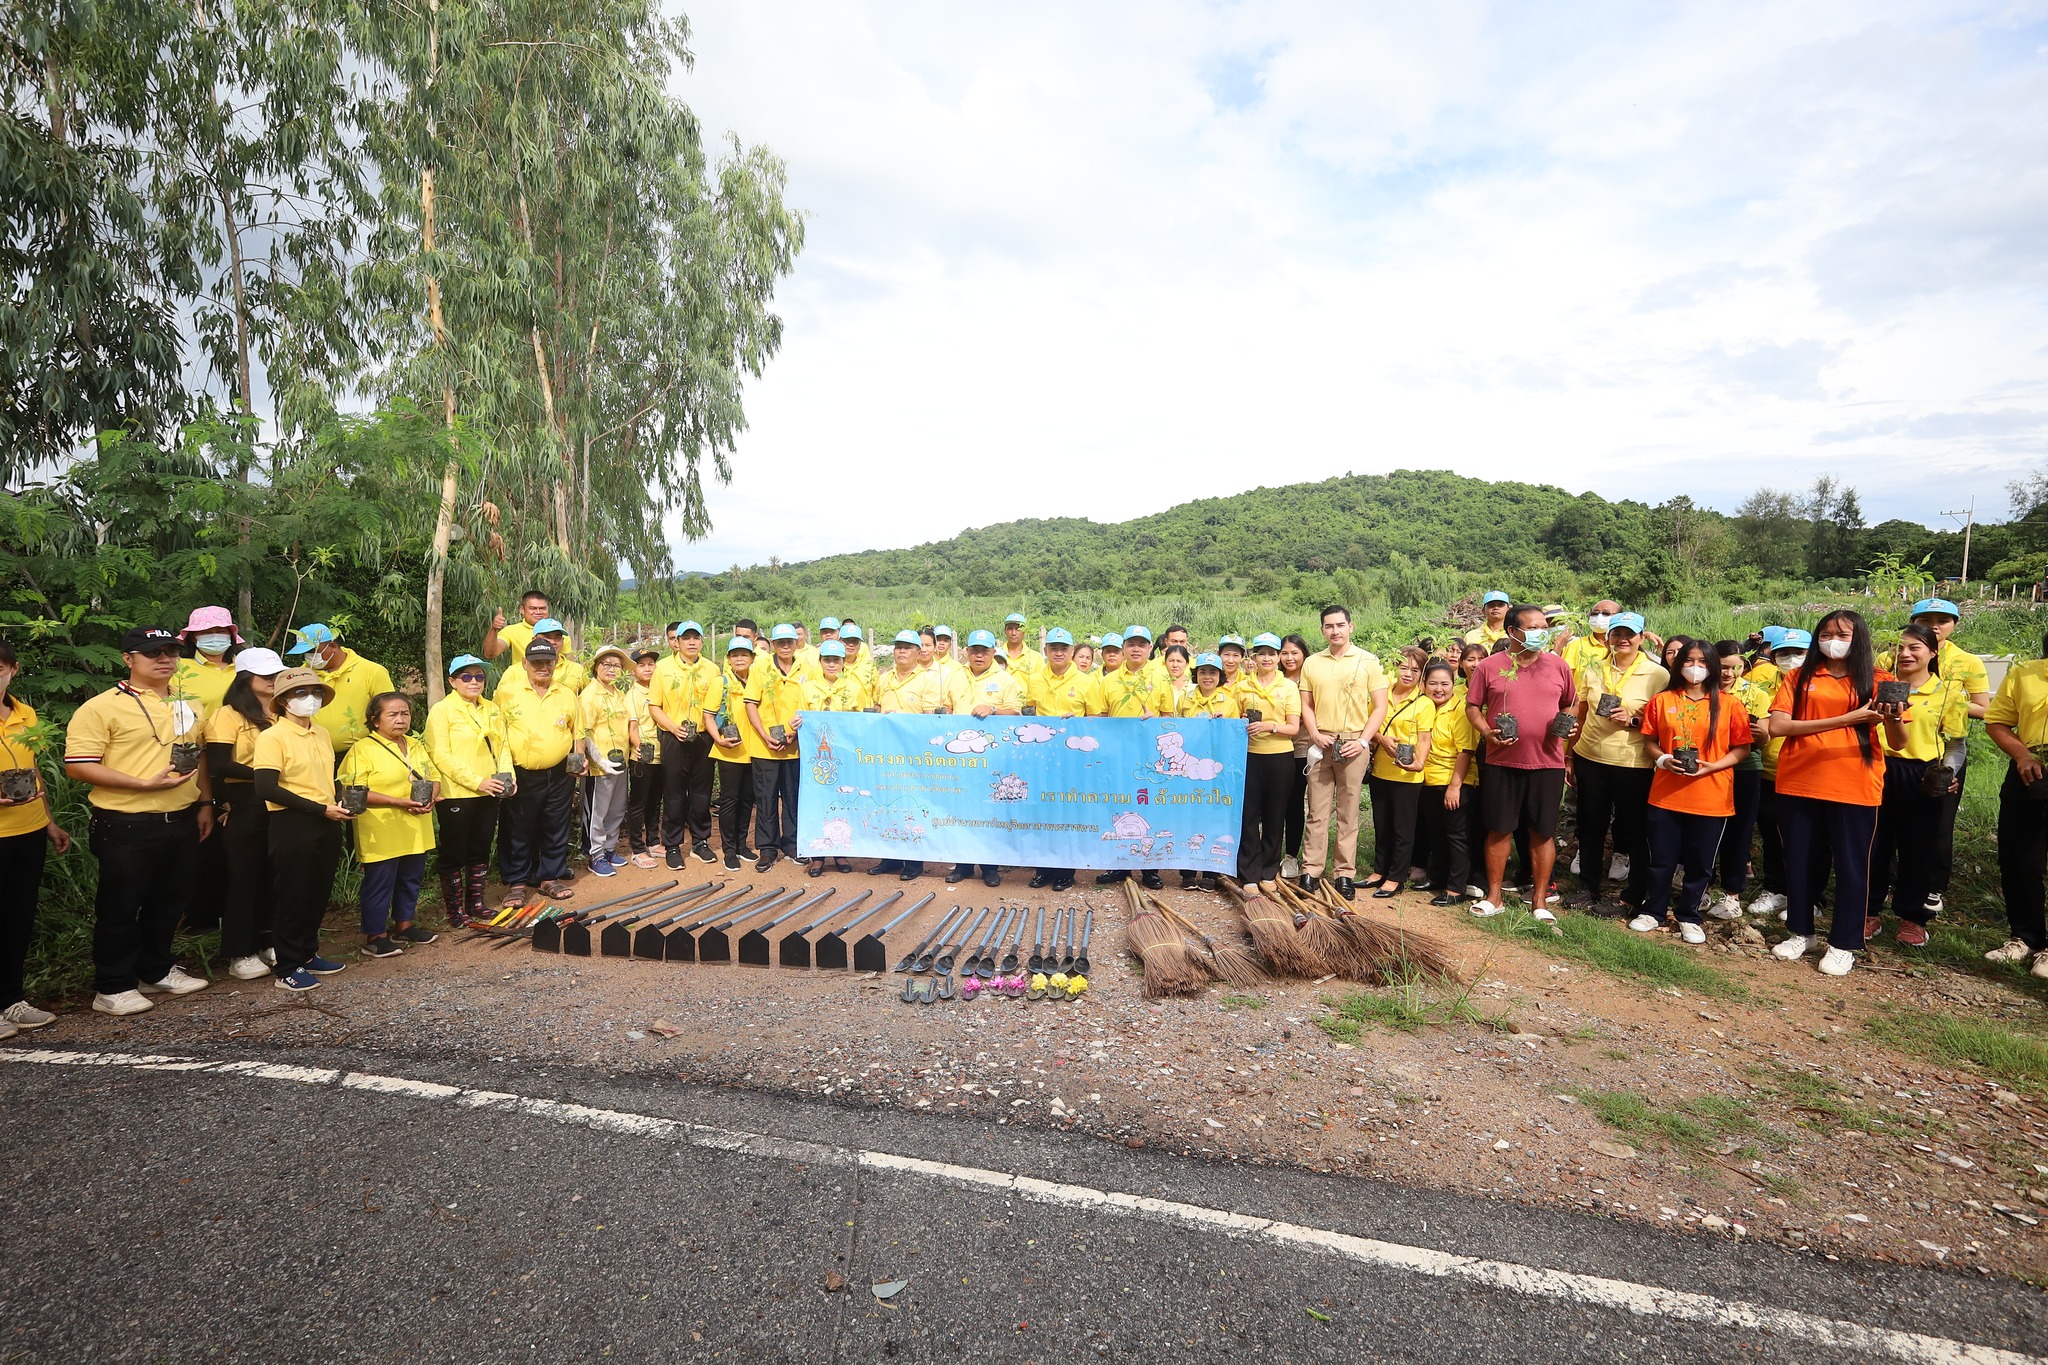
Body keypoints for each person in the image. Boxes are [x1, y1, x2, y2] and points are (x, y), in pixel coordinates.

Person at [63, 625, 215, 1016]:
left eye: (171, 652)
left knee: (170, 901)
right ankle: (113, 985)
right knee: (120, 905)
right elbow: (79, 766)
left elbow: (199, 758)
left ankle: (156, 969)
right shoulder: (101, 707)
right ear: (128, 659)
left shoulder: (189, 703)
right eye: (153, 653)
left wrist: (204, 803)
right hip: (126, 821)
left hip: (180, 817)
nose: (165, 659)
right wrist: (142, 785)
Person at [1762, 609, 1902, 977]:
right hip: (1799, 781)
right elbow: (1778, 726)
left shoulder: (1878, 680)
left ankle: (1844, 944)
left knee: (1852, 866)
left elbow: (1899, 743)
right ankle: (1801, 931)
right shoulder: (1800, 675)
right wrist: (1849, 718)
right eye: (1826, 633)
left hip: (1855, 785)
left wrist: (1895, 717)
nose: (1832, 641)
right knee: (1801, 859)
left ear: (1859, 640)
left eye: (1842, 634)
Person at [1632, 640, 1754, 943]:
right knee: (1662, 858)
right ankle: (1654, 910)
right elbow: (1649, 740)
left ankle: (1689, 914)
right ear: (1678, 665)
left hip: (1711, 796)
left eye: (1702, 661)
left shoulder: (1729, 703)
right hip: (1666, 794)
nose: (1695, 667)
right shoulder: (1663, 701)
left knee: (1701, 863)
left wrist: (1712, 767)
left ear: (1712, 666)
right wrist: (1662, 759)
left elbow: (1742, 748)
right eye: (1689, 660)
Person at [1466, 604, 1577, 923]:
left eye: (1545, 627)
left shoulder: (1557, 666)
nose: (1543, 633)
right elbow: (1473, 706)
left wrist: (1568, 722)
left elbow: (1571, 702)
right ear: (1512, 631)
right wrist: (1487, 732)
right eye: (1535, 627)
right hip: (1502, 762)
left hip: (1547, 763)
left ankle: (1540, 901)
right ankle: (1494, 896)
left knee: (1542, 833)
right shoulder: (1490, 666)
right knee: (1499, 829)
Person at [253, 667, 354, 991]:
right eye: (300, 694)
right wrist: (319, 808)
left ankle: (307, 954)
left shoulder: (321, 733)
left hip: (326, 820)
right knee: (292, 895)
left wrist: (339, 801)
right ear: (282, 701)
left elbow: (326, 779)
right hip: (292, 823)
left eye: (315, 693)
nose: (309, 699)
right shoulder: (272, 737)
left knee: (316, 892)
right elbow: (266, 787)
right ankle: (287, 966)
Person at [1871, 624, 1968, 947]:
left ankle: (1912, 918)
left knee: (1918, 848)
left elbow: (1956, 745)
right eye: (1899, 647)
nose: (1905, 654)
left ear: (1932, 652)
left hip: (1921, 774)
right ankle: (1869, 911)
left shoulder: (1947, 693)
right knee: (1873, 844)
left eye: (1914, 648)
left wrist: (1949, 773)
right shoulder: (1878, 685)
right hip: (1875, 769)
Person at [1565, 612, 1666, 911]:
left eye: (1630, 634)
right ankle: (1588, 888)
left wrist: (1634, 720)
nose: (1622, 639)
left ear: (1642, 637)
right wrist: (1569, 754)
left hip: (1632, 762)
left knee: (1634, 829)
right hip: (1590, 758)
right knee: (1590, 825)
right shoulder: (1593, 669)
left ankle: (1634, 895)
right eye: (1616, 633)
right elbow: (1581, 714)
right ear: (1607, 636)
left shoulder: (1657, 674)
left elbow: (1664, 722)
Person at [0, 640, 74, 1035]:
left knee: (17, 918)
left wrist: (48, 821)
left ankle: (11, 1000)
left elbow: (32, 771)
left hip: (27, 830)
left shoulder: (25, 714)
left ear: (13, 668)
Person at [339, 692, 441, 957]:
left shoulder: (415, 745)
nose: (400, 720)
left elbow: (432, 776)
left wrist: (431, 798)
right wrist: (399, 802)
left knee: (410, 878)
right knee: (380, 881)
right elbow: (355, 791)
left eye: (405, 714)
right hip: (381, 828)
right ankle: (375, 935)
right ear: (375, 721)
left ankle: (404, 925)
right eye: (392, 714)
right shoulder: (362, 749)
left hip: (416, 825)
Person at [1906, 598, 1991, 918]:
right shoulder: (1893, 654)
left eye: (1942, 620)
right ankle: (1890, 882)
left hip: (1942, 753)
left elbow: (1984, 709)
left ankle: (1933, 887)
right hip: (1898, 749)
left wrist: (1943, 698)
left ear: (1954, 624)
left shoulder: (1968, 662)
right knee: (1891, 821)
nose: (1934, 626)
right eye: (1926, 619)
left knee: (1939, 824)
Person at [1298, 605, 1390, 899]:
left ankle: (1344, 874)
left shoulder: (1368, 661)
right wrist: (1314, 733)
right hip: (1322, 742)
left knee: (1348, 813)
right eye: (1328, 626)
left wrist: (1363, 741)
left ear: (1351, 626)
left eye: (1340, 625)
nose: (1335, 630)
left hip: (1353, 743)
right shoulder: (1312, 662)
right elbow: (1306, 705)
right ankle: (1311, 870)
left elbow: (1380, 707)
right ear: (1322, 630)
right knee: (1316, 811)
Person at [206, 647, 285, 978]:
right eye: (266, 676)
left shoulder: (281, 714)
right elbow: (218, 762)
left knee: (274, 874)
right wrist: (264, 774)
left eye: (276, 675)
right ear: (245, 679)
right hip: (246, 799)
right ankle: (240, 951)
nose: (272, 681)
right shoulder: (228, 714)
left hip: (280, 800)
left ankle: (269, 941)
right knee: (244, 876)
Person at [424, 653, 508, 928]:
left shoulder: (492, 708)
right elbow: (440, 755)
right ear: (453, 681)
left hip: (490, 790)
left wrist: (508, 776)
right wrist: (476, 781)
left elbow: (503, 745)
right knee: (453, 852)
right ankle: (455, 909)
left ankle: (477, 903)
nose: (474, 682)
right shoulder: (442, 710)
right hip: (457, 792)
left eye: (479, 676)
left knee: (480, 848)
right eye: (467, 677)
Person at [496, 638, 581, 908]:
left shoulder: (566, 693)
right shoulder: (507, 692)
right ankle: (518, 882)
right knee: (518, 828)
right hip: (521, 772)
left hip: (559, 773)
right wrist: (504, 772)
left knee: (555, 824)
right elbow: (499, 736)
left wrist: (578, 759)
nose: (543, 667)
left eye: (548, 661)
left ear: (556, 663)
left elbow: (577, 730)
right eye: (536, 662)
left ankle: (549, 877)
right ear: (524, 663)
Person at [1985, 630, 2048, 977]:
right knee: (2020, 860)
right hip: (2031, 771)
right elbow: (1997, 721)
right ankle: (2025, 937)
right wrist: (2022, 754)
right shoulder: (2025, 673)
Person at [944, 630, 1026, 887]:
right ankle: (963, 865)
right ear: (966, 651)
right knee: (959, 809)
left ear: (993, 652)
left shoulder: (1005, 680)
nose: (979, 655)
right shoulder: (954, 677)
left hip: (992, 758)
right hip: (957, 757)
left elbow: (1016, 713)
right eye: (974, 650)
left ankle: (990, 866)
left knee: (989, 810)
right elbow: (945, 708)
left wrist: (992, 710)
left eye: (985, 650)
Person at [1025, 629, 1103, 892]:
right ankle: (1042, 869)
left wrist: (1077, 724)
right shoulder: (1034, 679)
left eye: (1064, 648)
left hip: (1072, 760)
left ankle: (1065, 871)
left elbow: (1097, 719)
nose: (1058, 652)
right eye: (1053, 648)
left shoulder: (1086, 681)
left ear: (1071, 652)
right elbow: (1028, 711)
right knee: (1039, 811)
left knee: (1067, 813)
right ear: (1046, 651)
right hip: (1040, 758)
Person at [1746, 630, 1811, 919]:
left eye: (1799, 652)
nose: (1791, 658)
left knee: (1806, 838)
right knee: (1772, 834)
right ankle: (1775, 888)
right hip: (1770, 771)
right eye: (1783, 653)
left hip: (1807, 773)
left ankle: (1807, 896)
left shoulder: (1819, 687)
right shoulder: (1759, 681)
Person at [648, 621, 722, 869]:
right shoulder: (663, 668)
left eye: (696, 638)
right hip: (674, 737)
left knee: (701, 793)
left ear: (702, 642)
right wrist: (671, 727)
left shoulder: (712, 669)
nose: (691, 642)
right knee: (674, 794)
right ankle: (672, 845)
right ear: (676, 642)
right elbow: (654, 706)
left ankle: (700, 842)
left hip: (703, 738)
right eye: (686, 638)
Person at [1706, 640, 1771, 920]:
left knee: (1740, 831)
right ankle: (1701, 888)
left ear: (1744, 667)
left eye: (1735, 667)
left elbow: (1767, 737)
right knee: (1706, 830)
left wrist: (1759, 733)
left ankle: (1732, 894)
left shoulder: (1756, 694)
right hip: (1709, 767)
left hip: (1746, 768)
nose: (1729, 673)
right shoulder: (1703, 693)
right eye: (1722, 667)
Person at [1364, 647, 1435, 898]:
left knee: (1403, 829)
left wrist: (1420, 763)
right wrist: (1381, 739)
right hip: (1381, 770)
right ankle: (1379, 871)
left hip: (1406, 774)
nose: (1408, 674)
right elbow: (1367, 725)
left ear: (1422, 674)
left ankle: (1396, 877)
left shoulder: (1423, 703)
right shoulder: (1380, 695)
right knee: (1382, 825)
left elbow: (1425, 739)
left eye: (1415, 670)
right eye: (1403, 667)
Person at [1236, 634, 1304, 888]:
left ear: (1278, 658)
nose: (1267, 658)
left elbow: (1293, 727)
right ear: (1254, 657)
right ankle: (1248, 870)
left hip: (1280, 758)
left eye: (1272, 654)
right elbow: (1233, 721)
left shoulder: (1288, 687)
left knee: (1276, 816)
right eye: (1261, 653)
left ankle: (1268, 870)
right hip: (1250, 757)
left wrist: (1269, 726)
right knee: (1249, 815)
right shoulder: (1242, 686)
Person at [1417, 660, 1479, 906]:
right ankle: (1437, 878)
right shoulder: (1423, 706)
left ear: (1454, 685)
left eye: (1444, 683)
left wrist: (1454, 787)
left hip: (1455, 780)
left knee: (1456, 835)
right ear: (1424, 685)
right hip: (1428, 779)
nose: (1438, 689)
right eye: (1433, 683)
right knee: (1437, 833)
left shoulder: (1460, 710)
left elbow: (1465, 751)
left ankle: (1456, 889)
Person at [745, 624, 806, 873]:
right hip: (765, 748)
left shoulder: (807, 668)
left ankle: (791, 844)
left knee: (792, 798)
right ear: (772, 642)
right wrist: (762, 734)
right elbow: (750, 704)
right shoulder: (760, 668)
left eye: (789, 641)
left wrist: (795, 734)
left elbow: (810, 705)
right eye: (780, 641)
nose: (785, 645)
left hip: (795, 746)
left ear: (796, 642)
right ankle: (768, 848)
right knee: (766, 799)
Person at [288, 622, 396, 756]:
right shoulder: (302, 674)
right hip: (312, 754)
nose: (309, 657)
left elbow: (390, 714)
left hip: (361, 755)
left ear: (332, 646)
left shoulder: (372, 671)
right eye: (305, 653)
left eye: (312, 651)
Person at [578, 645, 634, 876]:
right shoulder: (589, 695)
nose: (612, 669)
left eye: (617, 665)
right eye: (607, 664)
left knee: (616, 809)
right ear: (596, 667)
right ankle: (595, 854)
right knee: (596, 813)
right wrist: (599, 759)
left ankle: (610, 848)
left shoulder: (618, 694)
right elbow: (584, 731)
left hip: (620, 763)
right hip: (598, 768)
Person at [711, 637, 757, 869]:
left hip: (754, 749)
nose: (740, 658)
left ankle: (742, 845)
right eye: (735, 654)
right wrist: (718, 738)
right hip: (730, 750)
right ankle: (729, 850)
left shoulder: (757, 682)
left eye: (744, 654)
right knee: (730, 801)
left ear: (752, 658)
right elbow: (708, 715)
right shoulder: (723, 682)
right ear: (728, 658)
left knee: (747, 800)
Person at [622, 644, 665, 869]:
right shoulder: (632, 695)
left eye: (651, 664)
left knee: (655, 800)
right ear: (633, 671)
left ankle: (654, 841)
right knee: (639, 802)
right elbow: (632, 729)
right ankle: (638, 849)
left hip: (662, 753)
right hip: (643, 756)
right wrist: (640, 748)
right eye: (642, 665)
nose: (647, 669)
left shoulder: (659, 689)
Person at [1277, 633, 1313, 879]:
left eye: (1294, 653)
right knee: (1273, 805)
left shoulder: (1310, 681)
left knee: (1294, 804)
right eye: (1285, 653)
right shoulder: (1273, 679)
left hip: (1301, 751)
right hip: (1274, 749)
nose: (1289, 658)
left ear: (1304, 655)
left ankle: (1291, 856)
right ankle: (1267, 853)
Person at [174, 605, 242, 714]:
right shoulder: (178, 668)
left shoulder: (246, 665)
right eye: (206, 632)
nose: (214, 636)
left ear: (230, 635)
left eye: (221, 631)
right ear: (193, 637)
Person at [494, 618, 586, 698]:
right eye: (547, 637)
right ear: (534, 640)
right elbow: (499, 704)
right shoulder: (514, 671)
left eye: (557, 638)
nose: (553, 642)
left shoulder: (576, 670)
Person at [876, 629, 944, 716]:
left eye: (907, 648)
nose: (902, 651)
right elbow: (876, 705)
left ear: (918, 653)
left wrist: (900, 719)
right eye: (898, 647)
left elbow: (930, 718)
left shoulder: (928, 681)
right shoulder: (883, 678)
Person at [483, 590, 552, 662]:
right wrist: (493, 629)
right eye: (533, 608)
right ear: (522, 610)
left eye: (542, 608)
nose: (538, 612)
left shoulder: (558, 631)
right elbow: (489, 654)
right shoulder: (511, 631)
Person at [1560, 600, 1622, 677]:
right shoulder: (1576, 645)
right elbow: (1565, 677)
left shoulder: (1623, 646)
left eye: (1606, 613)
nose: (1599, 617)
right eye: (1595, 613)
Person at [1001, 613, 1042, 681]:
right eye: (1010, 629)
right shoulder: (996, 655)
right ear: (1005, 631)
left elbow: (1041, 683)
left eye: (1018, 629)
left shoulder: (1036, 657)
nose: (1013, 633)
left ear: (1024, 631)